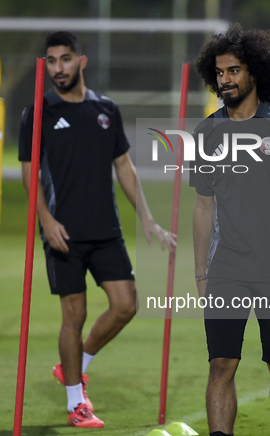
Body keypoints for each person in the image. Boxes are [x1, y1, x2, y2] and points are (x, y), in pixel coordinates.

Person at [18, 31, 176, 428]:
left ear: (81, 61)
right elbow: (29, 173)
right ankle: (76, 403)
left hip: (106, 229)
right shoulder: (38, 112)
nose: (58, 68)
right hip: (62, 232)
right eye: (51, 61)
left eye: (65, 59)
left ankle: (77, 364)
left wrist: (148, 219)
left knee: (126, 305)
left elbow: (123, 166)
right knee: (75, 313)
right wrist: (46, 220)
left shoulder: (106, 109)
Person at [192, 25, 270, 436]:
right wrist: (200, 271)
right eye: (220, 72)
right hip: (226, 266)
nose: (225, 79)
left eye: (234, 70)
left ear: (255, 73)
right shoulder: (207, 133)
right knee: (221, 364)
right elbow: (203, 206)